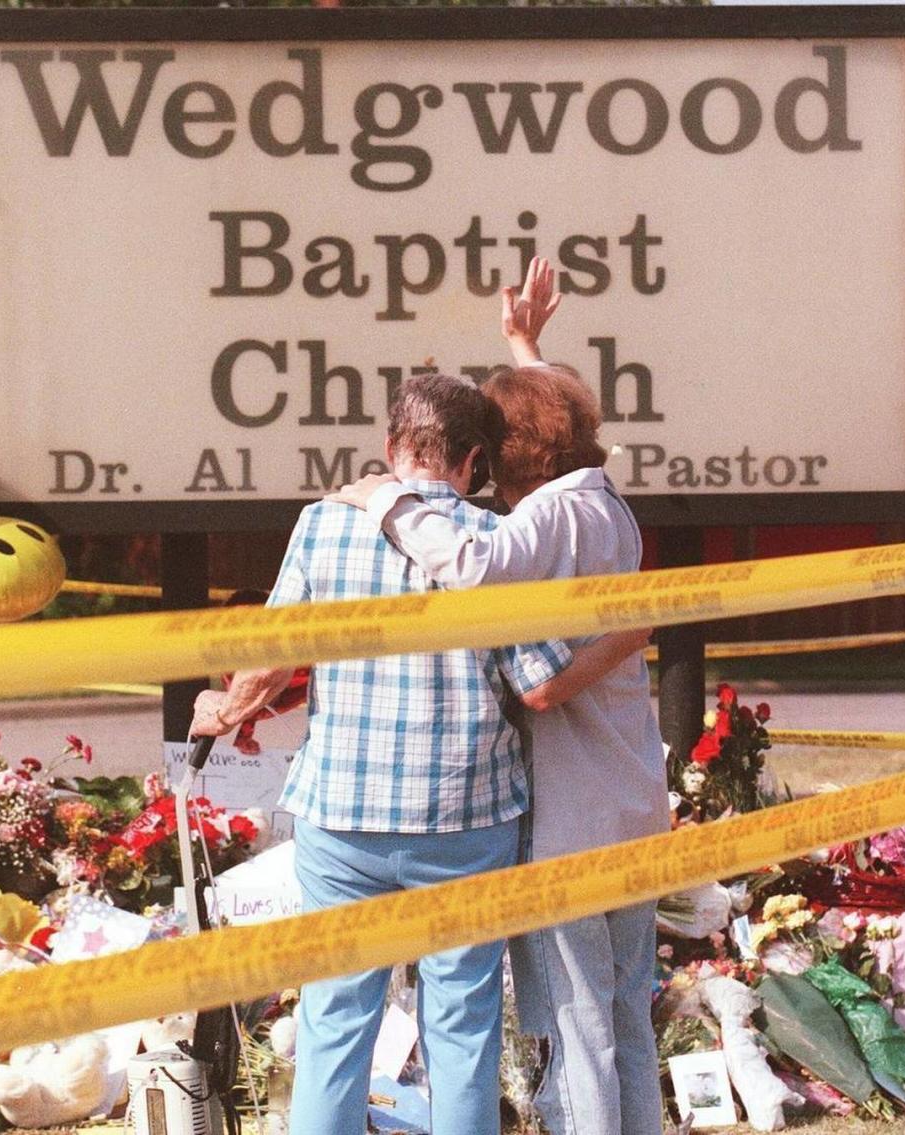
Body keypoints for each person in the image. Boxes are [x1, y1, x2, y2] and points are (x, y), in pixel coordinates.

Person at [189, 370, 646, 1135]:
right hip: (467, 822)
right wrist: (631, 633)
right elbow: (539, 679)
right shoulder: (494, 544)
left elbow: (267, 657)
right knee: (462, 1036)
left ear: (389, 445)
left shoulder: (322, 524)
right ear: (473, 461)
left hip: (343, 819)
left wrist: (226, 708)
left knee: (335, 1025)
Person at [329, 258, 668, 1135]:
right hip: (631, 801)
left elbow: (475, 571)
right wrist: (525, 344)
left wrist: (393, 502)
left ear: (506, 455)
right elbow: (562, 411)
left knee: (574, 1022)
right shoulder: (608, 504)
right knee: (629, 1010)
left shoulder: (544, 517)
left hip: (570, 825)